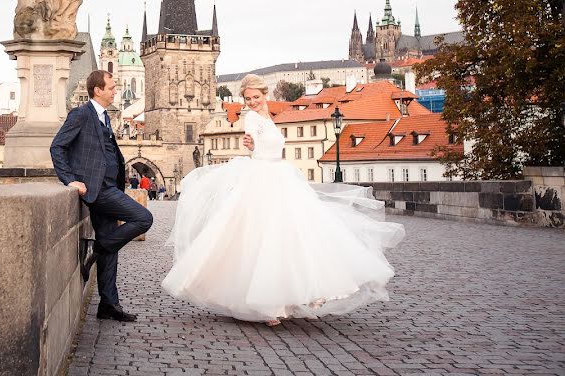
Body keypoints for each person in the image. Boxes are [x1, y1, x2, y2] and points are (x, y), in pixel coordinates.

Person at [162, 74, 404, 326]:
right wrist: (251, 144)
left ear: (265, 95)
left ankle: (298, 293)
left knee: (293, 235)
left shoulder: (269, 117)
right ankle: (273, 303)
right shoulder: (253, 119)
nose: (253, 102)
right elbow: (252, 144)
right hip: (263, 178)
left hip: (281, 175)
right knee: (267, 238)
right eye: (247, 99)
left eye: (256, 97)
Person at [51, 70, 154, 322]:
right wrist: (70, 180)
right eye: (111, 86)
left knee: (112, 245)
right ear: (97, 90)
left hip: (109, 187)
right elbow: (57, 146)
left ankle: (108, 304)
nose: (115, 90)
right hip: (98, 189)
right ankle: (96, 247)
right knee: (143, 218)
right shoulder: (81, 114)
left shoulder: (104, 116)